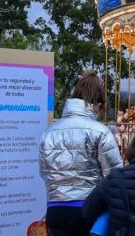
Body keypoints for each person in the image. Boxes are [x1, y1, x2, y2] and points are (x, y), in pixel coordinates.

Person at [39, 70, 123, 235]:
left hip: (55, 210)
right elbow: (115, 176)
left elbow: (43, 172)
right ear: (97, 105)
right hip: (89, 210)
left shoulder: (48, 132)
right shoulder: (100, 131)